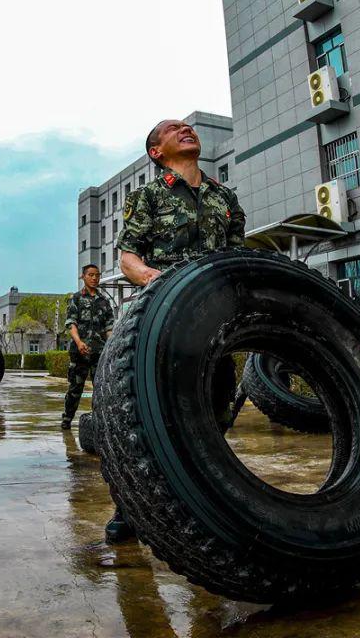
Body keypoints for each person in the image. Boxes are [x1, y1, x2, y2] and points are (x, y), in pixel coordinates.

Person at [103, 118, 246, 543]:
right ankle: (131, 505)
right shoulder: (148, 195)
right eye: (173, 129)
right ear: (156, 151)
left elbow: (238, 256)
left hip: (215, 323)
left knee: (216, 416)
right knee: (149, 417)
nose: (186, 129)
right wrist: (155, 280)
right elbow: (128, 258)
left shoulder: (224, 197)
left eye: (189, 127)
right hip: (162, 319)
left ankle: (209, 505)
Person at [61, 264, 115, 430]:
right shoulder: (76, 299)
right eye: (90, 275)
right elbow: (71, 324)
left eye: (97, 275)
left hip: (99, 354)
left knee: (100, 389)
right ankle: (67, 419)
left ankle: (99, 421)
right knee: (75, 388)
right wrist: (78, 342)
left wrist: (111, 348)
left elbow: (109, 328)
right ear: (83, 277)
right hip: (79, 353)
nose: (94, 278)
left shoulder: (104, 301)